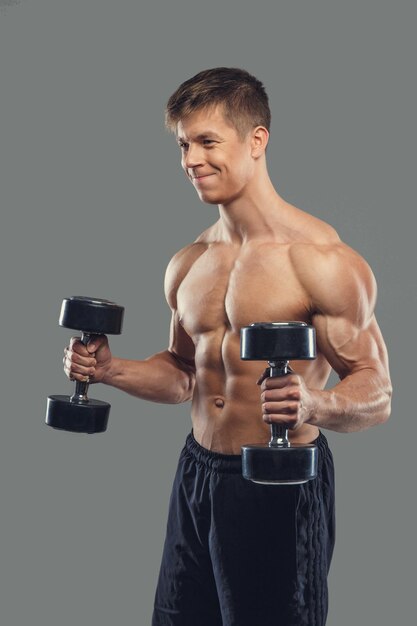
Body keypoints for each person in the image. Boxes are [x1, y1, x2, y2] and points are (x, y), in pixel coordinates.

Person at [63, 67, 392, 626]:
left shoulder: (320, 260)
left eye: (207, 141)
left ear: (257, 140)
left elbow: (377, 391)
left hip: (277, 483)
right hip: (196, 474)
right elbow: (184, 375)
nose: (191, 159)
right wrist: (111, 369)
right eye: (183, 144)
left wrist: (316, 404)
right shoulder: (190, 262)